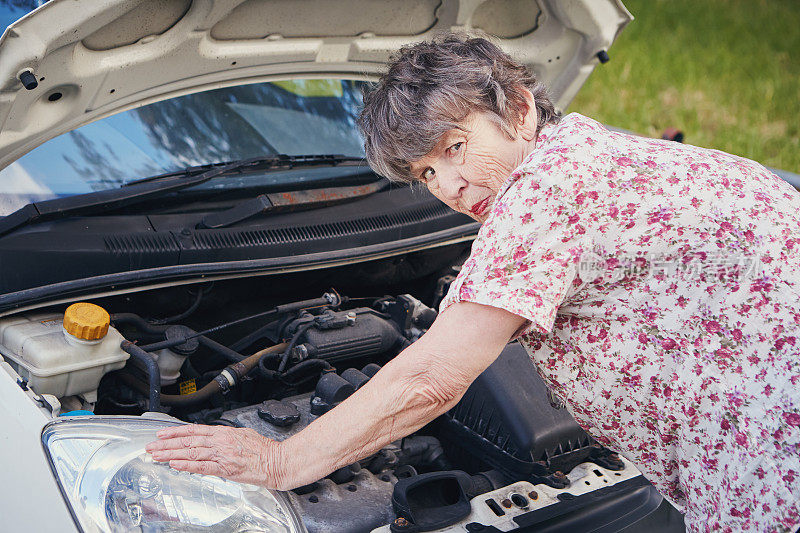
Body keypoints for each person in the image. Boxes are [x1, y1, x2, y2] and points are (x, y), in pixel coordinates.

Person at [146, 33, 800, 532]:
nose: (449, 188)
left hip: (775, 440)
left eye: (454, 147)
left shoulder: (549, 188)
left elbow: (433, 378)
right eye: (426, 173)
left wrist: (278, 462)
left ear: (517, 109)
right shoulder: (588, 152)